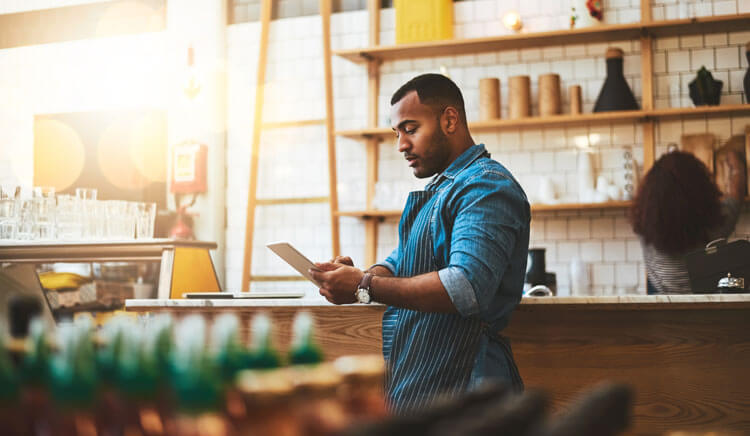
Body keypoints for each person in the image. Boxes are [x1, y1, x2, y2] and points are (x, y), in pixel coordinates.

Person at [309, 73, 530, 415]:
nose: (400, 145)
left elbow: (466, 286)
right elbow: (401, 263)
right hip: (426, 380)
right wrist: (357, 277)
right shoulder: (445, 188)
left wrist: (365, 285)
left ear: (450, 119)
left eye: (411, 129)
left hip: (468, 384)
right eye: (397, 133)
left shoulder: (485, 187)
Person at [630, 149, 746, 294]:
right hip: (707, 309)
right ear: (701, 189)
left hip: (662, 309)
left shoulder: (645, 226)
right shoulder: (717, 225)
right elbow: (737, 193)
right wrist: (736, 164)